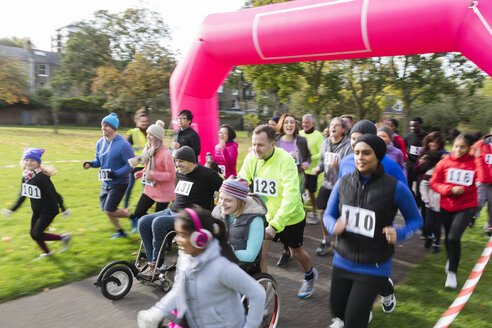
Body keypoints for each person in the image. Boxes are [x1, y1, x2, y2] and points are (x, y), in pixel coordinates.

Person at [324, 135, 422, 328]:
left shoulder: (395, 188)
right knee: (338, 311)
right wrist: (333, 226)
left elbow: (416, 220)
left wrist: (399, 233)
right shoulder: (343, 183)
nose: (360, 157)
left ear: (378, 156)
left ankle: (361, 313)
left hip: (374, 264)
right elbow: (328, 214)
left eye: (366, 153)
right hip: (343, 260)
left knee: (353, 321)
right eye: (357, 152)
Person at [137, 206, 266, 328]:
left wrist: (250, 325)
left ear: (200, 238)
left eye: (182, 235)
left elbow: (258, 293)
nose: (176, 239)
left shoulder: (221, 268)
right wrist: (156, 312)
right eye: (176, 234)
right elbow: (179, 290)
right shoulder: (185, 258)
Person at [239, 124, 318, 299]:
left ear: (272, 144)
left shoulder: (285, 160)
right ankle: (264, 295)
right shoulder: (252, 158)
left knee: (296, 252)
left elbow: (291, 196)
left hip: (290, 217)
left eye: (260, 145)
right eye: (253, 144)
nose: (255, 149)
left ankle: (310, 275)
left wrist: (276, 225)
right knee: (260, 255)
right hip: (266, 215)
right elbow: (242, 181)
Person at [138, 146, 223, 277]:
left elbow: (225, 189)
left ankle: (157, 264)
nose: (178, 164)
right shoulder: (179, 173)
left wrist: (218, 208)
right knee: (143, 221)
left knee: (158, 223)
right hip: (172, 211)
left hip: (191, 216)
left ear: (191, 161)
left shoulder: (208, 175)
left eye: (181, 161)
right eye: (176, 161)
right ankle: (151, 262)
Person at [2, 148, 71, 259]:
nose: (29, 163)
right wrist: (12, 209)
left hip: (49, 210)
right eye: (26, 160)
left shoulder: (42, 177)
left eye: (32, 161)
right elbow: (22, 196)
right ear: (23, 161)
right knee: (33, 234)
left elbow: (54, 194)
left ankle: (63, 238)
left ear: (38, 163)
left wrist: (63, 208)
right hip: (37, 210)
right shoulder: (26, 177)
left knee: (37, 233)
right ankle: (48, 253)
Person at [430, 134, 478, 289]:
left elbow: (483, 176)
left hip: (466, 207)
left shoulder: (474, 163)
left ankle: (452, 273)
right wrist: (450, 189)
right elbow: (434, 183)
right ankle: (451, 259)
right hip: (447, 206)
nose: (458, 149)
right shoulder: (443, 163)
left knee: (453, 238)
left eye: (462, 147)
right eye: (456, 146)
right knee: (448, 239)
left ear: (468, 148)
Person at [83, 113, 134, 239]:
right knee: (107, 210)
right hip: (106, 182)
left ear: (113, 127)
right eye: (102, 125)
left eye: (106, 125)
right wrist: (90, 164)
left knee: (109, 209)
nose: (103, 128)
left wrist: (115, 173)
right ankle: (121, 232)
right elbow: (98, 162)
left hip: (120, 182)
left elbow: (131, 165)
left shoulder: (124, 145)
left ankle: (134, 217)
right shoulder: (100, 143)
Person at [312, 117, 352, 256]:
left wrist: (339, 165)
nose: (332, 127)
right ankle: (326, 239)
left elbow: (351, 167)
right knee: (322, 211)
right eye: (331, 125)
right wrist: (318, 168)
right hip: (327, 183)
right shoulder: (325, 143)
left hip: (342, 185)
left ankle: (341, 242)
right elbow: (323, 162)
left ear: (343, 129)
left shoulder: (348, 145)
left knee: (341, 215)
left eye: (336, 125)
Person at [128, 120, 176, 233]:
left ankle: (167, 241)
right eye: (148, 134)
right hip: (150, 189)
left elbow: (171, 175)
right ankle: (153, 232)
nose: (148, 136)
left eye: (151, 135)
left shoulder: (165, 154)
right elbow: (149, 168)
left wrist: (153, 175)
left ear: (158, 137)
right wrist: (140, 173)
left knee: (160, 222)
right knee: (138, 213)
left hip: (164, 193)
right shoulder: (149, 149)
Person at [212, 176, 266, 273]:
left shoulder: (255, 220)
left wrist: (223, 252)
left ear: (240, 201)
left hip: (242, 264)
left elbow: (250, 255)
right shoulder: (218, 210)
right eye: (221, 198)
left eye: (228, 200)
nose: (222, 204)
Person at [299, 114, 324, 224]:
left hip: (313, 169)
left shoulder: (319, 135)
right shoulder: (299, 134)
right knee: (300, 192)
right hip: (301, 169)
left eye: (307, 122)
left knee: (312, 192)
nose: (305, 124)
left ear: (312, 123)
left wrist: (309, 159)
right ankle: (301, 212)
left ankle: (314, 213)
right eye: (303, 122)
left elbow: (321, 152)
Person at [123, 108, 149, 209]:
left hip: (146, 165)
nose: (145, 123)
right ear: (136, 121)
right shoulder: (132, 132)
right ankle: (125, 206)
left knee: (146, 187)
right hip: (134, 166)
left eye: (146, 121)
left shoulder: (149, 132)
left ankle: (144, 206)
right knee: (130, 187)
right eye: (143, 121)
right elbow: (126, 149)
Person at [472, 128, 492, 235]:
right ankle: (473, 216)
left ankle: (489, 229)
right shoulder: (480, 144)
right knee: (478, 203)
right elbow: (471, 159)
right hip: (481, 181)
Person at [404, 117, 428, 191]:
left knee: (420, 189)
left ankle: (419, 202)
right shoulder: (407, 137)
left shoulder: (427, 137)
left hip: (422, 166)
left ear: (420, 125)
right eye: (411, 126)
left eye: (415, 126)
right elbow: (402, 148)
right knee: (408, 187)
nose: (412, 128)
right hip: (410, 165)